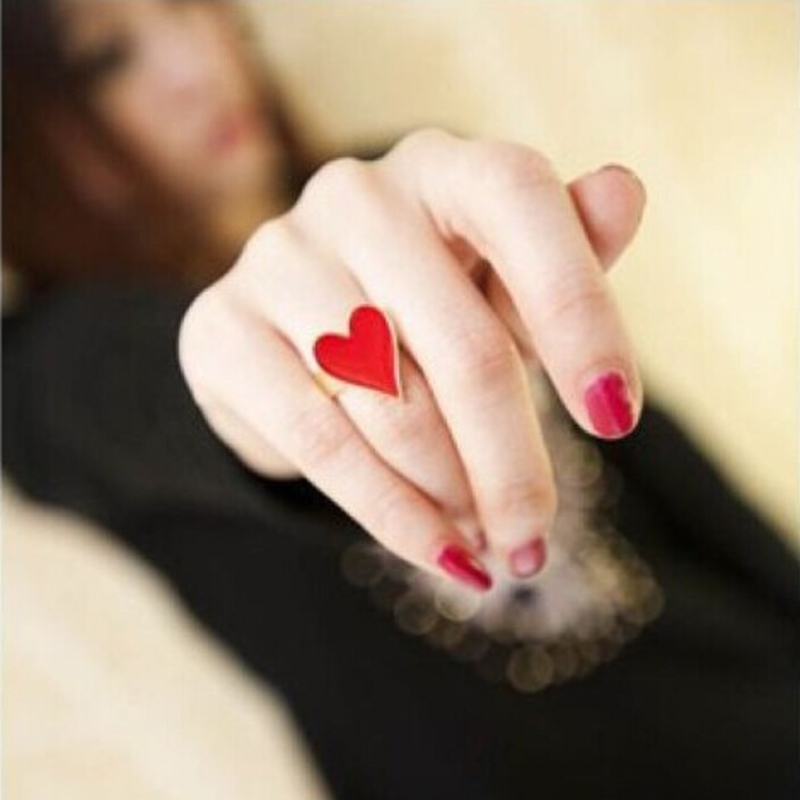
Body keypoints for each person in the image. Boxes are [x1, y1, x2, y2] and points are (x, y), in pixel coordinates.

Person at [3, 2, 798, 798]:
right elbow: (147, 393)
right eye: (106, 61)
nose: (198, 67)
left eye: (194, 8)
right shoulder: (46, 378)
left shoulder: (411, 206)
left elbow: (669, 470)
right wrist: (233, 381)